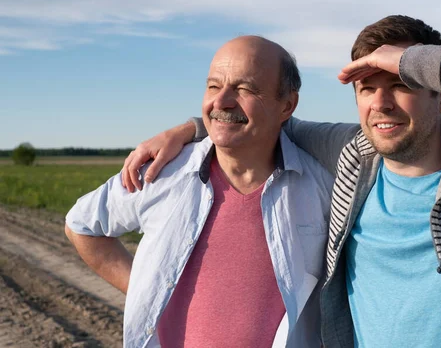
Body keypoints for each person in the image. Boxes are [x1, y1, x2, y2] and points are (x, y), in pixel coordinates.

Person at [122, 15, 441, 348]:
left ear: (440, 95)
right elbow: (259, 116)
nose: (380, 103)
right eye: (366, 88)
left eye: (399, 83)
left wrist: (419, 60)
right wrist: (187, 128)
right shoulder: (351, 153)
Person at [65, 36, 335, 348]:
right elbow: (82, 226)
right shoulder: (162, 171)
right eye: (213, 86)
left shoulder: (320, 186)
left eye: (245, 88)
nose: (221, 102)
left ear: (287, 105)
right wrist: (148, 291)